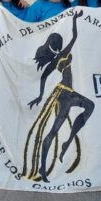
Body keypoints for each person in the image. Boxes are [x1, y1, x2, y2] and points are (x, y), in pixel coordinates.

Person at [23, 10, 93, 183]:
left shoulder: (58, 57)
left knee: (90, 105)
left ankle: (67, 141)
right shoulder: (59, 57)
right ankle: (43, 168)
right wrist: (40, 96)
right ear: (56, 44)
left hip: (70, 92)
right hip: (62, 94)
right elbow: (43, 77)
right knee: (53, 131)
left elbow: (74, 37)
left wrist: (74, 20)